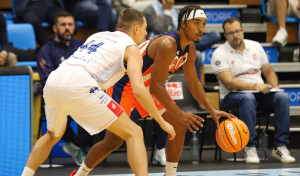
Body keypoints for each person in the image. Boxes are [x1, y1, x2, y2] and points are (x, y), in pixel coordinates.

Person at [71, 4, 232, 176]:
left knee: (178, 125)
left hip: (145, 88)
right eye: (196, 23)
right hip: (123, 86)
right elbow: (156, 86)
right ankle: (80, 173)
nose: (201, 28)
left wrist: (212, 109)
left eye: (204, 23)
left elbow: (193, 84)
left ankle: (170, 174)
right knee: (113, 141)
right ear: (183, 24)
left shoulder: (190, 49)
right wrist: (179, 113)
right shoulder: (167, 43)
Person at [21, 8, 176, 176]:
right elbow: (138, 90)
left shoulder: (97, 36)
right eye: (145, 28)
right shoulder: (132, 49)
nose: (146, 33)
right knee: (134, 132)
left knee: (51, 135)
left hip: (54, 81)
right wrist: (162, 121)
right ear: (136, 29)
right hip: (80, 85)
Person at [211, 17, 296, 164]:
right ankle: (249, 147)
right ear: (225, 35)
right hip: (232, 97)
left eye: (237, 31)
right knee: (247, 97)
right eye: (230, 33)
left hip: (258, 94)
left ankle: (280, 146)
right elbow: (230, 84)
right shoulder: (219, 53)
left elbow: (269, 72)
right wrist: (256, 87)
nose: (235, 35)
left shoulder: (255, 46)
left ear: (242, 30)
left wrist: (273, 88)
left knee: (282, 97)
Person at [37, 11, 90, 166]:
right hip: (59, 97)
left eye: (70, 25)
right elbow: (46, 80)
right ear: (55, 28)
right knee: (58, 111)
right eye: (63, 25)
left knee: (101, 108)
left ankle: (76, 146)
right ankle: (77, 146)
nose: (67, 28)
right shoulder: (46, 50)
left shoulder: (81, 46)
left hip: (82, 94)